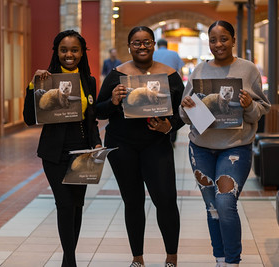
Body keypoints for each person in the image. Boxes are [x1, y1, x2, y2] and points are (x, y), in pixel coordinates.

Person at [179, 21, 270, 267]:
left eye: (224, 39)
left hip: (235, 146)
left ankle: (232, 261)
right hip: (201, 147)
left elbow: (261, 109)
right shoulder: (198, 71)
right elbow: (185, 114)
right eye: (213, 40)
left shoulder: (248, 70)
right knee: (212, 207)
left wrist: (248, 106)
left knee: (225, 201)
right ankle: (219, 259)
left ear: (233, 40)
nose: (218, 45)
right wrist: (185, 107)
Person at [96, 26, 185, 267]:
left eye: (147, 42)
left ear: (154, 45)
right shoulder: (116, 75)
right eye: (137, 43)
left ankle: (171, 258)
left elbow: (183, 113)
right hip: (122, 146)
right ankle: (137, 258)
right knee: (132, 201)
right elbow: (97, 110)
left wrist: (168, 126)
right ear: (129, 46)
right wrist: (113, 101)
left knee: (165, 200)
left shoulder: (170, 76)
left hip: (156, 145)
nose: (142, 46)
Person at [23, 30, 102, 267]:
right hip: (54, 154)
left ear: (82, 53)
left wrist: (96, 142)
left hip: (83, 153)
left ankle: (69, 257)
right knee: (65, 204)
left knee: (76, 206)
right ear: (56, 52)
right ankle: (69, 261)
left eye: (74, 50)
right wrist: (32, 86)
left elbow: (92, 120)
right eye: (64, 50)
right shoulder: (45, 81)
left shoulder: (89, 81)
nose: (69, 54)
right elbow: (28, 118)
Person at [153, 38, 185, 146]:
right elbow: (179, 71)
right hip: (172, 84)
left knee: (158, 110)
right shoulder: (174, 54)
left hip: (156, 86)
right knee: (173, 112)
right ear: (167, 45)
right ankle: (172, 138)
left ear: (157, 45)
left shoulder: (154, 53)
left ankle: (157, 133)